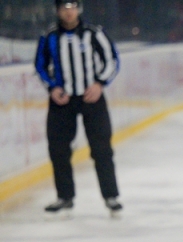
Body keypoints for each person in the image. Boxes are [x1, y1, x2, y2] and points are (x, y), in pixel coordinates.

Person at [34, 0, 122, 216]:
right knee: (58, 150)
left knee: (102, 149)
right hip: (62, 101)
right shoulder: (50, 36)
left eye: (72, 6)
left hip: (92, 98)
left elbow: (111, 59)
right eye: (64, 7)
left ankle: (110, 196)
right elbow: (40, 65)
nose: (68, 11)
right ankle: (65, 197)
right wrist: (52, 88)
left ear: (79, 9)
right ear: (58, 11)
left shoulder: (94, 33)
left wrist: (100, 83)